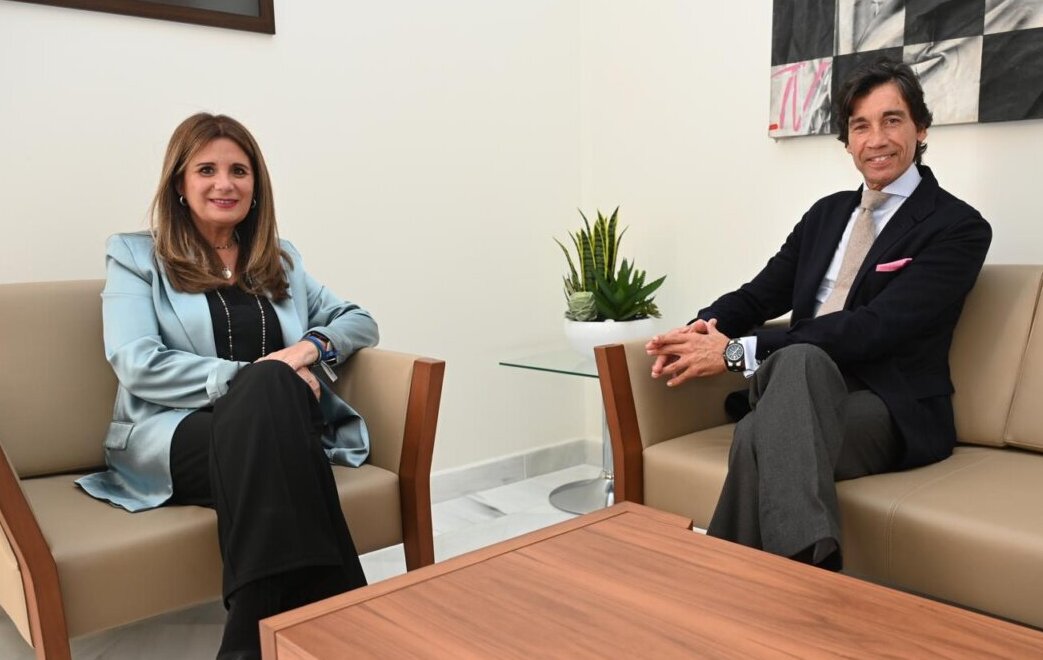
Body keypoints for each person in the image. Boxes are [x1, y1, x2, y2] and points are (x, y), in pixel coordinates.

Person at [645, 59, 991, 570]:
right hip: (795, 385)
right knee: (798, 368)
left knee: (760, 428)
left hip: (888, 405)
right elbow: (759, 295)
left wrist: (738, 352)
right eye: (860, 126)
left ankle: (732, 577)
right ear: (847, 142)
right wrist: (702, 329)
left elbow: (877, 327)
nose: (876, 139)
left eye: (892, 120)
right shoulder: (826, 214)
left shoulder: (958, 227)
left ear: (920, 129)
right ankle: (808, 577)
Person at [76, 113, 378, 659]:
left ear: (256, 185)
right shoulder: (136, 256)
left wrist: (305, 350)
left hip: (271, 430)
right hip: (172, 435)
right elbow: (137, 362)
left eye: (239, 170)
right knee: (279, 423)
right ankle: (349, 623)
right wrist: (260, 376)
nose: (225, 184)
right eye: (207, 170)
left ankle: (251, 641)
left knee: (273, 434)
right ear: (180, 182)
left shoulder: (279, 259)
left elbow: (359, 320)